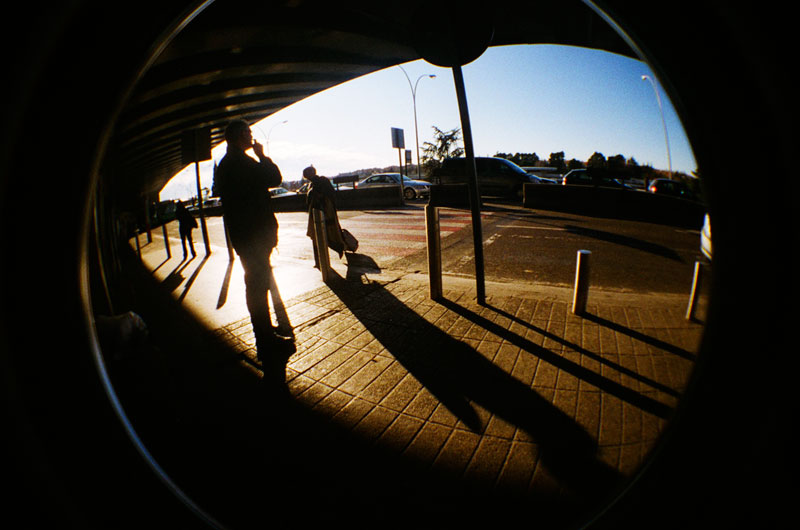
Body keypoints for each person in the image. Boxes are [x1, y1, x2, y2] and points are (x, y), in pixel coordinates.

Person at [213, 119, 293, 364]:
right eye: (248, 132)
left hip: (244, 235)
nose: (251, 136)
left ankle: (265, 333)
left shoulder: (226, 165)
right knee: (257, 287)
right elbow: (274, 178)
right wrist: (262, 155)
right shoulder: (242, 162)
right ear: (239, 136)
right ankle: (265, 341)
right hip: (255, 235)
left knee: (256, 284)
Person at [303, 165, 347, 267]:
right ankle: (318, 262)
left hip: (325, 212)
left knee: (328, 234)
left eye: (307, 175)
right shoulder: (314, 184)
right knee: (317, 236)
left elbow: (329, 195)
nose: (306, 177)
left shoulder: (321, 181)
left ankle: (341, 247)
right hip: (316, 212)